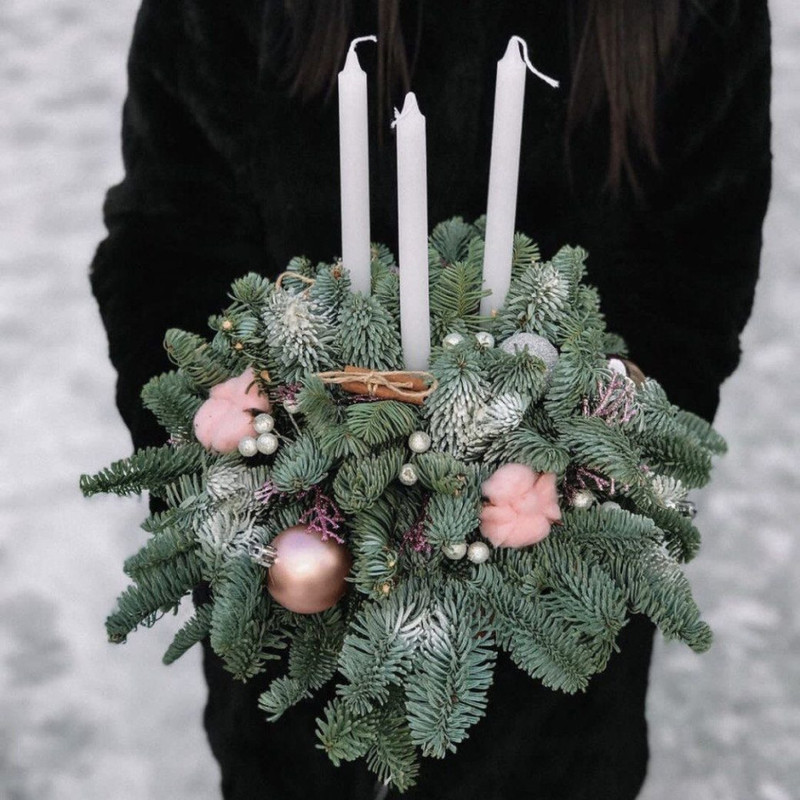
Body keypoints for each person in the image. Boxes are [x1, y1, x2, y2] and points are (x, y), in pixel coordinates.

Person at [89, 1, 771, 798]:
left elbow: (691, 274)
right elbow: (170, 235)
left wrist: (578, 458)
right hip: (295, 599)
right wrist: (246, 452)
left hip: (549, 649)